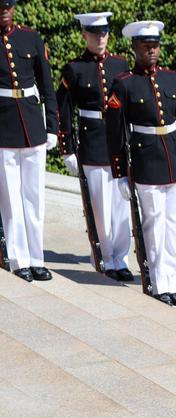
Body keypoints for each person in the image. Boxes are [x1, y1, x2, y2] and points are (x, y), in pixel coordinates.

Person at [106, 20, 176, 306]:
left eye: (155, 46)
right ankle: (159, 284)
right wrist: (120, 173)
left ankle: (174, 282)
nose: (152, 51)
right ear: (134, 47)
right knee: (154, 225)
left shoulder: (172, 79)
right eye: (146, 46)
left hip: (175, 161)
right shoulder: (124, 83)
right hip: (147, 162)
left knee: (173, 225)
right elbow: (115, 132)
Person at [56, 11, 132, 282]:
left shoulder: (121, 64)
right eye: (94, 34)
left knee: (121, 205)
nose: (100, 38)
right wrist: (66, 147)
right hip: (93, 141)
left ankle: (121, 258)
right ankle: (105, 257)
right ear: (84, 35)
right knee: (99, 205)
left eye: (104, 33)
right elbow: (63, 108)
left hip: (118, 141)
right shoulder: (75, 68)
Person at [0, 0, 59, 282]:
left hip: (33, 126)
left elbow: (46, 85)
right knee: (11, 200)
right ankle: (19, 259)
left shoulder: (31, 38)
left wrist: (53, 127)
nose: (4, 9)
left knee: (34, 198)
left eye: (8, 5)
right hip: (4, 129)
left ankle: (37, 259)